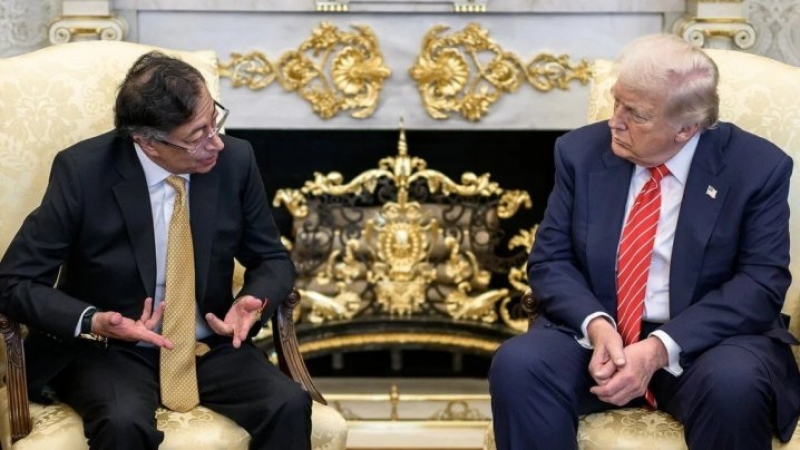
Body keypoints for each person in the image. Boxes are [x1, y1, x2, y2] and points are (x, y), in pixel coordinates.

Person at [489, 33, 800, 450]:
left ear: (686, 128)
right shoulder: (580, 152)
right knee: (519, 364)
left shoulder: (757, 168)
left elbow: (760, 284)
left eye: (635, 113)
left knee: (734, 384)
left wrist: (658, 348)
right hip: (599, 338)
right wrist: (597, 326)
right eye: (616, 102)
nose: (615, 121)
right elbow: (551, 260)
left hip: (705, 344)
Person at [0, 51, 311, 449]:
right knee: (123, 423)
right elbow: (14, 281)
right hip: (113, 349)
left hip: (208, 343)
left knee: (288, 403)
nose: (216, 143)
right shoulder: (83, 172)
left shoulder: (236, 160)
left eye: (214, 121)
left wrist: (254, 299)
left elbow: (271, 258)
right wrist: (94, 320)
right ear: (148, 143)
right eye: (197, 137)